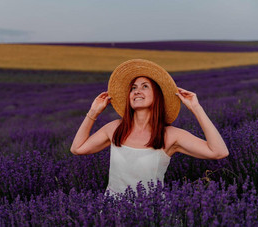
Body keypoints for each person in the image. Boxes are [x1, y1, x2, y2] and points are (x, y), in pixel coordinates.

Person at [70, 59, 229, 195]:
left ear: (157, 95)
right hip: (112, 214)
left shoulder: (170, 135)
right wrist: (93, 112)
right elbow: (77, 148)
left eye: (145, 86)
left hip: (150, 214)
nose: (137, 91)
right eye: (133, 88)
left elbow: (219, 152)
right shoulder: (115, 128)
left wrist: (196, 108)